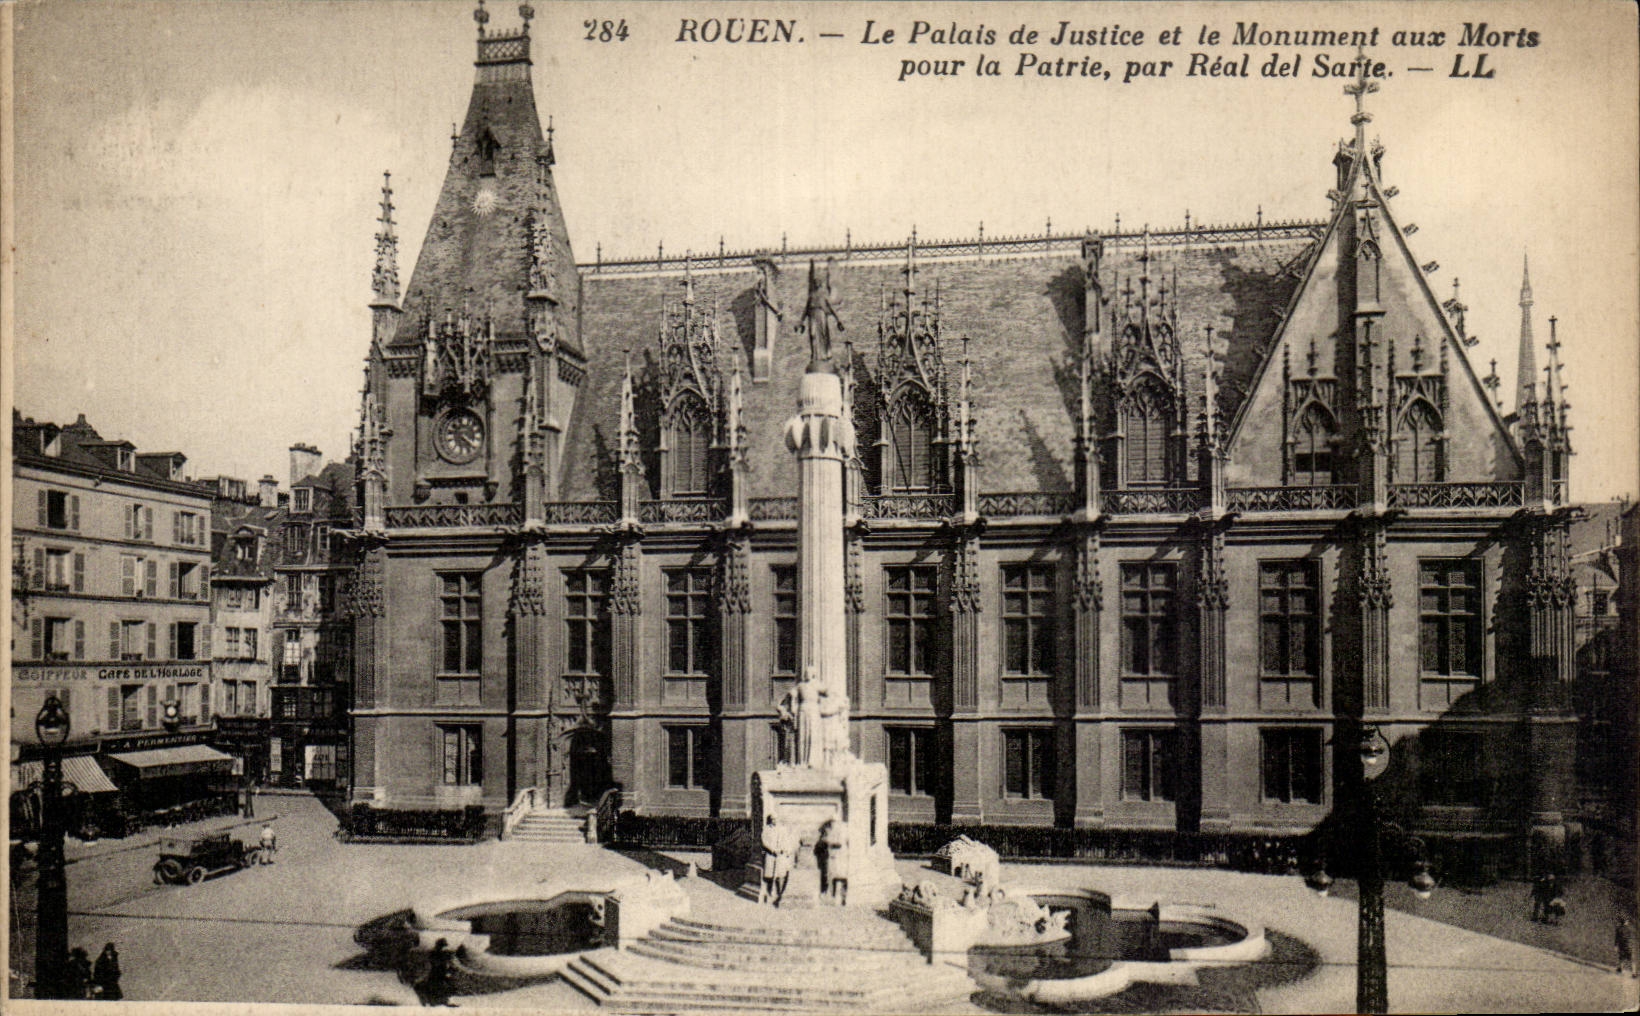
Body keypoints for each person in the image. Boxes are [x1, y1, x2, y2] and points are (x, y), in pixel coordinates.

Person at [418, 938, 455, 1007]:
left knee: (438, 986)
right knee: (437, 986)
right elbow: (435, 963)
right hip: (436, 973)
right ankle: (435, 1001)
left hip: (438, 973)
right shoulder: (435, 953)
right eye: (443, 946)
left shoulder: (435, 952)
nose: (444, 948)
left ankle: (437, 1001)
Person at [825, 821, 849, 906]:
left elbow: (839, 843)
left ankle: (843, 897)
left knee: (842, 876)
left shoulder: (842, 830)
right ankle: (836, 896)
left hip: (841, 856)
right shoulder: (834, 832)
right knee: (836, 876)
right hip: (836, 856)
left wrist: (831, 843)